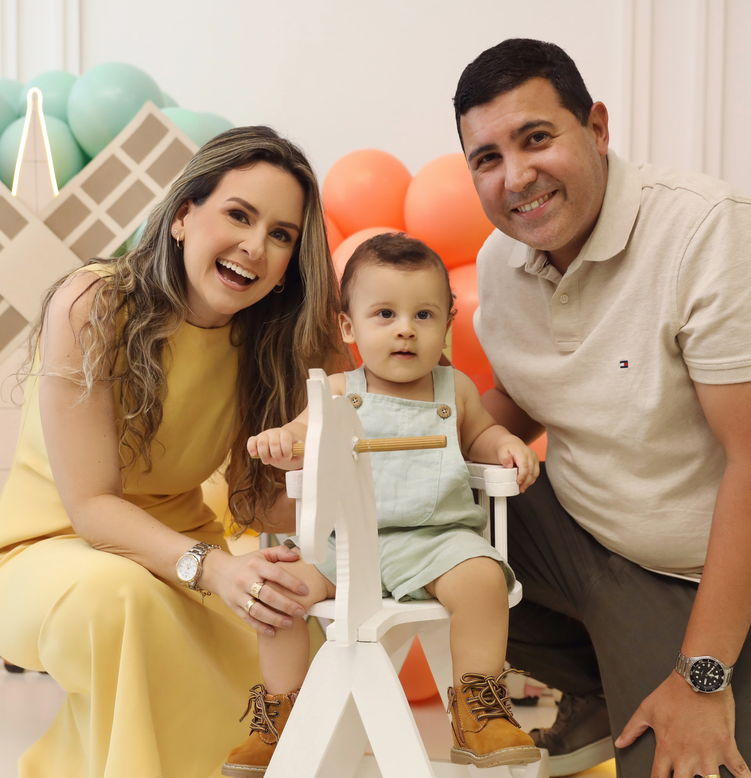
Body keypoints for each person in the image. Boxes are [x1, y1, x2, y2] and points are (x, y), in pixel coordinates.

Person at [455, 38, 751, 778]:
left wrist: (701, 679)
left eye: (537, 138)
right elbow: (526, 394)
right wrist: (398, 432)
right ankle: (607, 688)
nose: (516, 176)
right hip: (593, 541)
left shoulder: (711, 231)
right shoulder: (502, 262)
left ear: (597, 128)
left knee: (696, 769)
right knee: (422, 518)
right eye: (487, 158)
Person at [0, 126, 348, 778]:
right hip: (47, 552)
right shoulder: (93, 301)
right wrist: (217, 571)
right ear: (181, 216)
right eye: (239, 215)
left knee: (292, 637)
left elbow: (258, 506)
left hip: (186, 560)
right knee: (122, 599)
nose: (256, 246)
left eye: (282, 235)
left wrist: (336, 452)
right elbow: (91, 508)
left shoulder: (267, 343)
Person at [222, 233, 543, 774]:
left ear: (447, 324)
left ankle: (477, 709)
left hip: (437, 542)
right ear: (349, 327)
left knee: (484, 579)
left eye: (424, 315)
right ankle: (282, 714)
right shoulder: (337, 392)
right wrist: (283, 442)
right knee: (275, 595)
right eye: (385, 314)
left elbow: (481, 436)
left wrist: (505, 445)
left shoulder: (455, 389)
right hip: (343, 546)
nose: (405, 329)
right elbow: (301, 438)